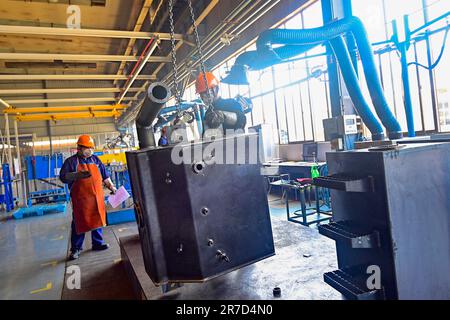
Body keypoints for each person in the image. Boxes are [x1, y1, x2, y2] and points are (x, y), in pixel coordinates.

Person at [60, 135, 117, 261]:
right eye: (87, 148)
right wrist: (76, 175)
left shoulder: (96, 160)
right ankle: (75, 249)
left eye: (91, 148)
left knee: (98, 219)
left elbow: (105, 176)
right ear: (79, 148)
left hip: (97, 198)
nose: (89, 150)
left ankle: (97, 243)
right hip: (81, 200)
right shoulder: (71, 162)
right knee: (79, 223)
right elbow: (63, 177)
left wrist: (112, 187)